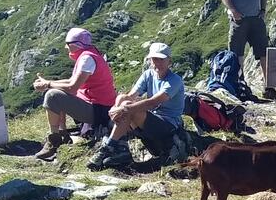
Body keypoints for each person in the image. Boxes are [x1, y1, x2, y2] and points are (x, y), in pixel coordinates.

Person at [89, 42, 185, 173]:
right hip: (152, 119)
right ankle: (120, 148)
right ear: (150, 60)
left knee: (128, 108)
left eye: (161, 59)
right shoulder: (148, 74)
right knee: (124, 100)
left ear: (169, 61)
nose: (157, 63)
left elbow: (153, 102)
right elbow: (130, 95)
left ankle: (109, 147)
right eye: (154, 59)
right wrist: (118, 105)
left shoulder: (174, 80)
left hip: (169, 123)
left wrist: (123, 109)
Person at [32, 27, 115, 161]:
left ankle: (54, 141)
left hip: (98, 110)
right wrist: (49, 81)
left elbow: (72, 87)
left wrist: (48, 85)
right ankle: (62, 133)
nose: (66, 47)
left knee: (52, 96)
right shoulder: (90, 55)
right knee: (58, 92)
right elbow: (72, 82)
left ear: (76, 45)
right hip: (100, 105)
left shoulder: (86, 59)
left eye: (68, 44)